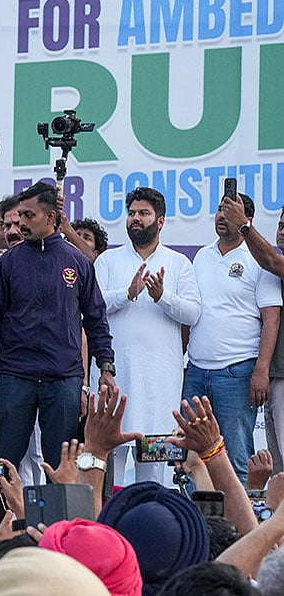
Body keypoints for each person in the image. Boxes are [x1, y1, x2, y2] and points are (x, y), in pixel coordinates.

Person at [0, 181, 115, 470]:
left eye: (29, 216)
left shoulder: (77, 262)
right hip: (15, 376)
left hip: (63, 378)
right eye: (19, 217)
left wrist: (106, 368)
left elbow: (96, 320)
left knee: (63, 466)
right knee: (2, 464)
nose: (20, 225)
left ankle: (61, 518)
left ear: (51, 218)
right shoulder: (7, 263)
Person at [94, 187, 201, 484]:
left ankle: (150, 526)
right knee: (108, 465)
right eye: (131, 214)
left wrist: (161, 296)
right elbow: (91, 307)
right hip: (116, 378)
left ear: (161, 221)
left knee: (153, 468)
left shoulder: (179, 263)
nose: (135, 219)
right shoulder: (107, 261)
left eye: (143, 213)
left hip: (158, 381)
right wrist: (127, 294)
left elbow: (193, 314)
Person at [184, 193, 281, 482]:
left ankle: (240, 527)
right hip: (196, 371)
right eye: (219, 210)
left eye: (229, 211)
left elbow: (271, 318)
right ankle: (197, 525)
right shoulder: (202, 256)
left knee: (236, 456)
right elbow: (192, 311)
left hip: (237, 373)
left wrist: (261, 371)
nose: (221, 216)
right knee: (192, 457)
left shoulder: (258, 259)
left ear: (245, 219)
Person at [220, 199, 284, 475]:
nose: (282, 231)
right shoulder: (272, 271)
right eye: (281, 225)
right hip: (275, 377)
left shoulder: (272, 264)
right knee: (279, 468)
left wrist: (243, 226)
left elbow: (269, 259)